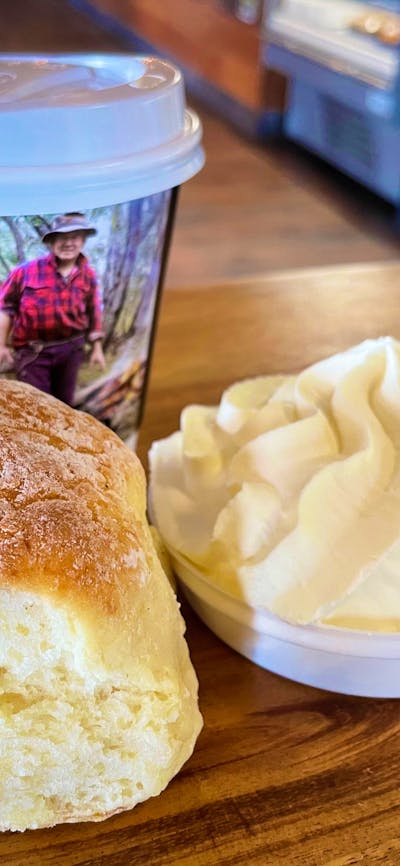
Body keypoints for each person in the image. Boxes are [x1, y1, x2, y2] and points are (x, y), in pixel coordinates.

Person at [0, 212, 106, 406]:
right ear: (52, 242)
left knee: (65, 405)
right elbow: (5, 309)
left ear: (82, 240)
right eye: (62, 237)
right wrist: (1, 345)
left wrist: (97, 348)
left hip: (71, 350)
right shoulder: (24, 272)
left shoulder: (88, 275)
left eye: (74, 237)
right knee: (36, 407)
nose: (68, 243)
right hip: (34, 353)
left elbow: (94, 311)